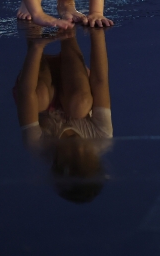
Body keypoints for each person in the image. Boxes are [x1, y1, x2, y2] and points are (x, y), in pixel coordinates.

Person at [14, 27, 112, 202]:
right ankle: (67, 31)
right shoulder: (102, 137)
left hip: (37, 80)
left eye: (73, 156)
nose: (78, 147)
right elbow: (99, 80)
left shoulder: (38, 144)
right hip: (73, 80)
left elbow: (25, 94)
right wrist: (97, 32)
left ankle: (34, 34)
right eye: (86, 154)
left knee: (41, 100)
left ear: (57, 164)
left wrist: (36, 48)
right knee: (80, 107)